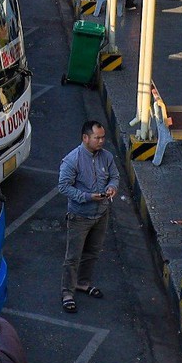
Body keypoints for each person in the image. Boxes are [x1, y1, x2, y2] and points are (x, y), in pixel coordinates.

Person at [55, 121, 118, 314]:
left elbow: (115, 176)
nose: (101, 141)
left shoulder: (106, 157)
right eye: (97, 138)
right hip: (80, 216)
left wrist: (112, 187)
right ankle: (67, 293)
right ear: (85, 138)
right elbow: (63, 187)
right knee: (73, 257)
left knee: (93, 252)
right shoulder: (72, 160)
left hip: (101, 213)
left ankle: (83, 283)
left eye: (102, 137)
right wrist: (88, 197)